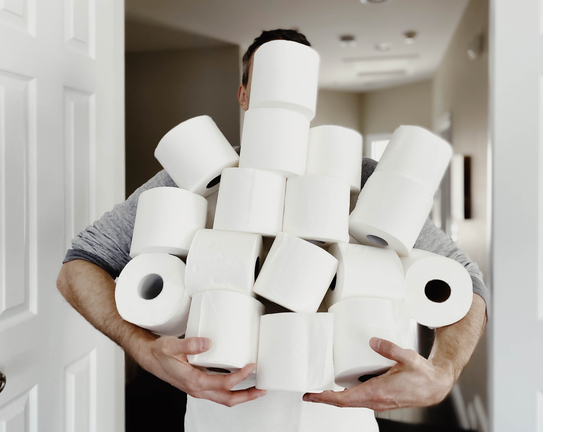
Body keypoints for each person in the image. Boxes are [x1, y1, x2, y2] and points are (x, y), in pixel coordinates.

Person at [57, 29, 489, 430]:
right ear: (244, 93)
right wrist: (144, 350)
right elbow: (79, 265)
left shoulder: (369, 181)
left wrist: (443, 372)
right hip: (225, 407)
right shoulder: (196, 172)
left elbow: (464, 282)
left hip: (337, 410)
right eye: (271, 77)